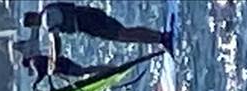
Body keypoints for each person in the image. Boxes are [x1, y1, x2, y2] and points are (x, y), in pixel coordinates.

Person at [22, 4, 174, 50]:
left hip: (87, 25)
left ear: (32, 20)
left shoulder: (46, 22)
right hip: (89, 13)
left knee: (123, 35)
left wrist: (55, 59)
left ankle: (161, 38)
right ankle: (159, 36)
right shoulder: (49, 6)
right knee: (124, 31)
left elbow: (56, 40)